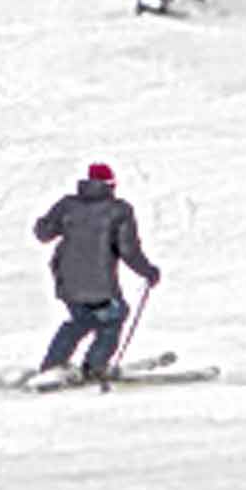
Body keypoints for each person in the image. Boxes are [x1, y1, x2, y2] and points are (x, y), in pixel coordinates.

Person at [32, 162, 162, 384]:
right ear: (111, 185)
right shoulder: (119, 210)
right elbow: (128, 250)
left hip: (67, 281)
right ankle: (95, 367)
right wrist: (148, 272)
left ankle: (51, 366)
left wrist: (48, 222)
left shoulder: (67, 205)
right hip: (100, 286)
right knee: (113, 319)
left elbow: (43, 233)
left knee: (80, 320)